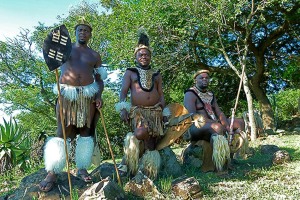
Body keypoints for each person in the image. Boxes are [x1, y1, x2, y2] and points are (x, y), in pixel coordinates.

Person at [39, 20, 107, 192]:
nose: (83, 32)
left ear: (90, 35)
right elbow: (50, 55)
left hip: (88, 96)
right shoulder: (65, 49)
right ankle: (53, 171)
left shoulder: (95, 55)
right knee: (63, 132)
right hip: (67, 95)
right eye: (80, 30)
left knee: (85, 132)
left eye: (86, 30)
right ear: (75, 33)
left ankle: (82, 167)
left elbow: (100, 79)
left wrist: (98, 96)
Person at [115, 32, 169, 179]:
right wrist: (123, 109)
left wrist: (163, 112)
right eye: (141, 55)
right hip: (138, 112)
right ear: (136, 57)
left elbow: (161, 94)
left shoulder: (156, 74)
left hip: (156, 112)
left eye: (146, 55)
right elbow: (123, 92)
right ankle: (129, 159)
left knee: (152, 143)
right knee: (140, 133)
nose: (144, 57)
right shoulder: (130, 72)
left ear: (150, 56)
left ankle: (147, 170)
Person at [183, 69, 245, 171]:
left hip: (214, 123)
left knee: (239, 123)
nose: (204, 79)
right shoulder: (190, 94)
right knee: (217, 127)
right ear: (195, 80)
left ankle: (230, 158)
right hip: (196, 127)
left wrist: (227, 126)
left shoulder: (210, 94)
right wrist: (215, 123)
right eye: (201, 78)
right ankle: (219, 166)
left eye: (207, 78)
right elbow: (192, 115)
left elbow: (219, 112)